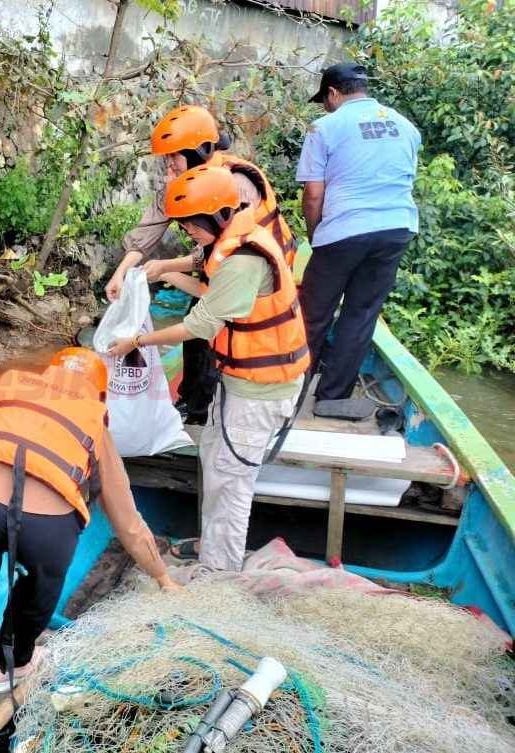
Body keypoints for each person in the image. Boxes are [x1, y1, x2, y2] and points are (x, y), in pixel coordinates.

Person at [0, 348, 179, 753]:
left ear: (47, 375)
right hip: (49, 525)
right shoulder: (94, 423)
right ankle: (11, 659)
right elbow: (127, 521)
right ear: (100, 395)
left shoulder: (10, 391)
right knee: (40, 587)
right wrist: (163, 578)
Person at [107, 166, 309, 571]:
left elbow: (201, 323)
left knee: (232, 482)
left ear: (218, 216)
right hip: (239, 380)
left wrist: (137, 342)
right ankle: (212, 549)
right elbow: (206, 289)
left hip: (261, 389)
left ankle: (220, 575)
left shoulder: (243, 260)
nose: (189, 236)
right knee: (214, 461)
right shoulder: (229, 241)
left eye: (192, 227)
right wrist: (161, 270)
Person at [105, 105, 296, 424]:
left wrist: (167, 268)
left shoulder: (234, 184)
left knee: (212, 335)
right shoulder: (188, 179)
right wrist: (121, 272)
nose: (169, 164)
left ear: (198, 151)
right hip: (224, 266)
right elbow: (153, 226)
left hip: (256, 276)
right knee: (199, 335)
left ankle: (204, 409)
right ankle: (191, 403)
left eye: (174, 157)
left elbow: (225, 247)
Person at [296, 64, 421, 410]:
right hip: (397, 228)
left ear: (334, 93)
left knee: (312, 314)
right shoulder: (406, 126)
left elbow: (313, 196)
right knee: (361, 313)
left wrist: (315, 235)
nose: (324, 106)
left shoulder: (324, 127)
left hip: (344, 229)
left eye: (324, 99)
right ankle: (332, 399)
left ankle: (290, 394)